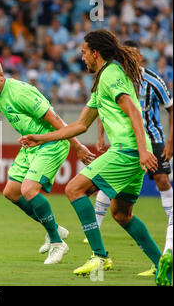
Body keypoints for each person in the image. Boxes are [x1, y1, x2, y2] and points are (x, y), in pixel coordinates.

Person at [20, 29, 163, 277]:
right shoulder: (102, 80)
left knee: (74, 189)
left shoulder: (111, 75)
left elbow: (134, 112)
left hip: (127, 150)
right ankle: (163, 266)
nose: (82, 57)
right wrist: (40, 138)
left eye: (84, 52)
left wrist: (141, 151)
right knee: (121, 214)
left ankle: (99, 256)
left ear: (95, 53)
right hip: (132, 152)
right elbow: (80, 125)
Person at [0, 56, 96, 265]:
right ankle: (54, 229)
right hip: (30, 145)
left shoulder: (20, 93)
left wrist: (77, 146)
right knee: (11, 192)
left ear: (1, 76)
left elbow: (55, 119)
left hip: (51, 143)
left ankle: (58, 243)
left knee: (29, 190)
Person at [91, 40, 173, 280]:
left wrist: (170, 142)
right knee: (114, 198)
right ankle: (95, 239)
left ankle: (170, 217)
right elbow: (101, 108)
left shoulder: (152, 79)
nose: (131, 58)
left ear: (139, 56)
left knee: (160, 180)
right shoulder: (116, 78)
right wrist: (100, 135)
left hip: (152, 139)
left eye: (135, 54)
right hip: (127, 143)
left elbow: (170, 107)